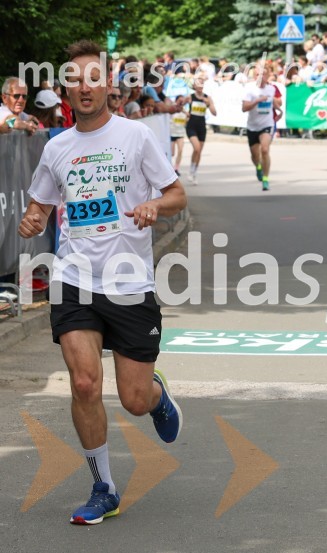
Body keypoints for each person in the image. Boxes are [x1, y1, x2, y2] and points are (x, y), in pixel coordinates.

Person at [17, 39, 186, 526]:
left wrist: (155, 205)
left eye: (94, 78)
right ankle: (103, 487)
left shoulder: (135, 136)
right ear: (66, 91)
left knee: (133, 400)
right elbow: (40, 204)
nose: (85, 88)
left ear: (109, 85)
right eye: (75, 81)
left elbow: (176, 194)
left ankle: (155, 394)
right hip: (74, 278)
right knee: (85, 383)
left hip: (129, 282)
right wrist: (33, 218)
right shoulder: (57, 147)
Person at [242, 62, 282, 191]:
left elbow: (274, 103)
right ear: (255, 76)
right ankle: (258, 167)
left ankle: (265, 179)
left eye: (264, 74)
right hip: (252, 126)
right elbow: (244, 108)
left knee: (265, 150)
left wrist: (280, 112)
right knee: (255, 156)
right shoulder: (249, 88)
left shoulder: (271, 89)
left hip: (267, 124)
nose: (261, 77)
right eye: (258, 74)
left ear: (268, 75)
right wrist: (257, 100)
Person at [184, 78, 216, 184]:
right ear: (194, 86)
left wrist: (208, 104)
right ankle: (191, 170)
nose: (200, 86)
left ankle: (194, 173)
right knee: (196, 148)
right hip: (191, 126)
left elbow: (214, 113)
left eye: (202, 84)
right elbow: (180, 105)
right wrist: (185, 112)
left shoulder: (207, 97)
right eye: (198, 84)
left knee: (199, 151)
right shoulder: (190, 97)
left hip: (201, 127)